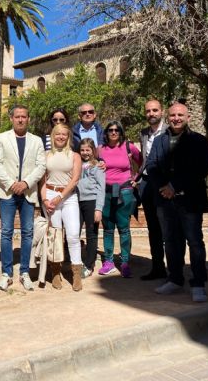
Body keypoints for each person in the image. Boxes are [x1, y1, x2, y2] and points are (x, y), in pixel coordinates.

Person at [147, 102, 208, 302]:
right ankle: (175, 279)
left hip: (190, 200)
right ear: (168, 116)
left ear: (187, 117)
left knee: (194, 242)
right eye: (173, 115)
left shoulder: (198, 141)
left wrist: (174, 186)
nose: (176, 118)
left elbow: (200, 169)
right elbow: (152, 165)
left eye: (180, 115)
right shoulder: (159, 141)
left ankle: (198, 283)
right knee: (171, 242)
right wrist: (164, 188)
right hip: (165, 202)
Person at [0, 105, 46, 291]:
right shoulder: (1, 138)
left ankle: (24, 272)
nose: (20, 119)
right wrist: (12, 184)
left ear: (28, 119)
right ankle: (6, 274)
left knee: (27, 233)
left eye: (24, 116)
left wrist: (26, 183)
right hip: (7, 192)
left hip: (28, 193)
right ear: (11, 118)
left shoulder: (37, 141)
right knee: (6, 232)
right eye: (17, 117)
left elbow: (41, 166)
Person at [40, 124, 83, 291]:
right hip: (50, 196)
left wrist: (60, 197)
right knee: (55, 236)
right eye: (57, 134)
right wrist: (45, 199)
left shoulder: (74, 156)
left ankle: (76, 272)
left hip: (68, 197)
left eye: (64, 134)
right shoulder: (45, 155)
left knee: (72, 235)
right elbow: (42, 180)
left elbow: (74, 180)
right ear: (53, 135)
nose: (61, 137)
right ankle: (55, 271)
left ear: (68, 137)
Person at [97, 121, 142, 278]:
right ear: (106, 132)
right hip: (105, 192)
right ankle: (108, 262)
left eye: (117, 130)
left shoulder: (129, 147)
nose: (114, 132)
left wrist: (137, 179)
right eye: (111, 130)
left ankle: (124, 262)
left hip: (124, 191)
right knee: (108, 228)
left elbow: (142, 162)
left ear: (121, 132)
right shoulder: (100, 149)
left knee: (124, 228)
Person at [136, 99, 168, 280]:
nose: (151, 114)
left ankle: (174, 269)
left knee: (168, 227)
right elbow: (144, 160)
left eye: (155, 110)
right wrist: (137, 179)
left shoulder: (169, 131)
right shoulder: (143, 133)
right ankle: (157, 267)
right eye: (148, 111)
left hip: (164, 184)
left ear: (161, 111)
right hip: (147, 183)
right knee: (153, 228)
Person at [77, 138, 105, 278]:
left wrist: (98, 208)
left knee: (91, 234)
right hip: (77, 201)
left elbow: (101, 188)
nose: (85, 152)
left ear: (93, 150)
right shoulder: (76, 164)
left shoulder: (98, 166)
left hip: (91, 202)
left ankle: (89, 265)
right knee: (74, 233)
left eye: (88, 149)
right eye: (82, 150)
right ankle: (76, 262)